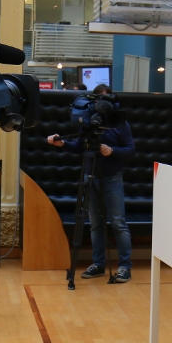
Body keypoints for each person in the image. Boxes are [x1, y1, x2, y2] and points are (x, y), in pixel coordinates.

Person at [47, 84, 136, 282]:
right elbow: (80, 146)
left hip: (112, 177)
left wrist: (112, 151)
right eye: (99, 100)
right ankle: (98, 264)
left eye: (106, 100)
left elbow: (131, 150)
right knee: (95, 224)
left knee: (118, 223)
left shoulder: (119, 123)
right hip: (90, 176)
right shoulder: (87, 120)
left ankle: (124, 266)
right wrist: (62, 144)